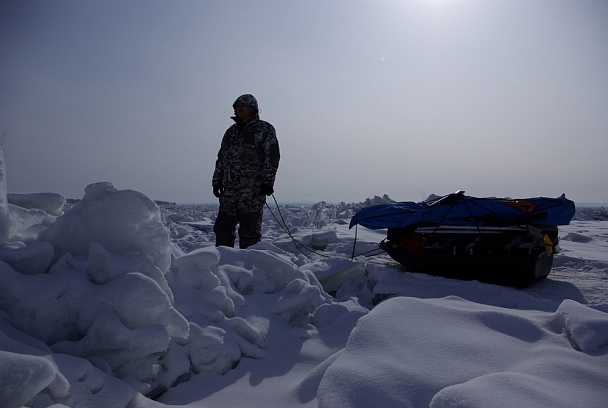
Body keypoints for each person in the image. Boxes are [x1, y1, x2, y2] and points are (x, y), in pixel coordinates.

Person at [212, 94, 280, 248]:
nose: (240, 108)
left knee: (249, 234)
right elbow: (222, 157)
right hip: (229, 192)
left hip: (251, 192)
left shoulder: (264, 129)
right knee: (222, 230)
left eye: (244, 106)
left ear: (253, 109)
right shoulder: (231, 132)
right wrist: (217, 180)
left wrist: (267, 182)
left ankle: (248, 268)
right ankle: (224, 265)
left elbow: (272, 155)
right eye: (237, 106)